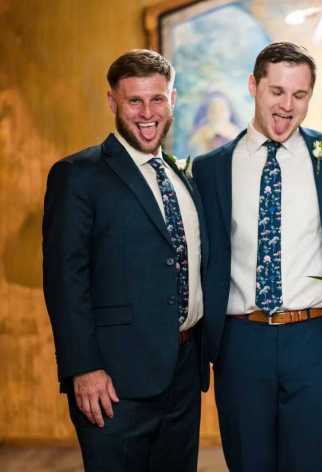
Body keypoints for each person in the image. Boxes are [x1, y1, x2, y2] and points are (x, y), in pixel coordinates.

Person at [192, 42, 322, 472]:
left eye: (299, 95)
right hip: (240, 342)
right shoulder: (209, 169)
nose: (287, 105)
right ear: (253, 86)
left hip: (314, 340)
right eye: (276, 91)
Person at [42, 49, 208, 472]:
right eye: (135, 100)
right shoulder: (78, 175)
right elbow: (66, 278)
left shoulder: (180, 174)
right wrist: (84, 368)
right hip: (114, 382)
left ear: (173, 99)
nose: (147, 112)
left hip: (184, 375)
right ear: (112, 101)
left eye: (157, 99)